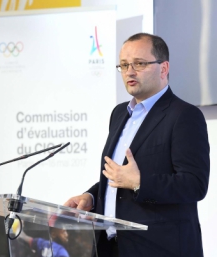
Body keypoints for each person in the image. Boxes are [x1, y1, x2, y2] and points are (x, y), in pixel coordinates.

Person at [64, 33, 210, 257]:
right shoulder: (120, 113)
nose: (129, 72)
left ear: (163, 68)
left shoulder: (184, 116)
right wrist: (92, 197)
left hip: (159, 249)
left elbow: (194, 184)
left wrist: (141, 183)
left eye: (139, 64)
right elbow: (119, 176)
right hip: (112, 247)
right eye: (123, 65)